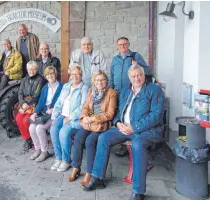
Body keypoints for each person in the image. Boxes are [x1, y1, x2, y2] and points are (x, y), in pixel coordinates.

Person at [82, 64, 165, 200]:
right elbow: (117, 112)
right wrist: (117, 122)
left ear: (144, 75)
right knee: (103, 138)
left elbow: (156, 116)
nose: (137, 78)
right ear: (129, 78)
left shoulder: (154, 90)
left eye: (139, 75)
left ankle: (138, 191)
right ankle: (97, 178)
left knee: (137, 145)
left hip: (146, 130)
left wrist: (134, 127)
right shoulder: (126, 91)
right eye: (133, 76)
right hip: (124, 128)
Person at [68, 71, 117, 185]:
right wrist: (83, 119)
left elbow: (110, 114)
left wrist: (92, 119)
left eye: (102, 80)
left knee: (90, 141)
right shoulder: (91, 91)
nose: (99, 82)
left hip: (101, 125)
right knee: (79, 137)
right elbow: (85, 107)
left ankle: (89, 172)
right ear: (94, 82)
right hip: (89, 122)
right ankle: (76, 167)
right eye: (97, 80)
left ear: (106, 81)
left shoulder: (111, 93)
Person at [109, 37, 151, 158]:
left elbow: (148, 70)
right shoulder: (114, 59)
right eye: (120, 44)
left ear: (128, 44)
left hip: (130, 93)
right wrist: (110, 91)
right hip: (117, 93)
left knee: (129, 116)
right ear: (117, 46)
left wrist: (137, 65)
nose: (122, 46)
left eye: (124, 44)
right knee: (119, 116)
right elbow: (111, 77)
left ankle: (126, 146)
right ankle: (119, 140)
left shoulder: (135, 56)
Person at [49, 64, 89, 172]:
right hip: (62, 115)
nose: (75, 76)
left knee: (63, 132)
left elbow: (83, 106)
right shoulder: (66, 86)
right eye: (73, 74)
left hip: (74, 118)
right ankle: (58, 158)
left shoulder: (84, 88)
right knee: (53, 129)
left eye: (77, 74)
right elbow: (59, 102)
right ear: (70, 75)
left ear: (81, 75)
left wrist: (71, 117)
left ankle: (66, 160)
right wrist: (54, 116)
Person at [28, 66, 63, 162]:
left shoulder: (61, 87)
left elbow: (63, 102)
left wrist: (54, 109)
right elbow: (40, 102)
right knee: (31, 128)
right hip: (44, 114)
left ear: (55, 74)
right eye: (48, 74)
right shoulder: (44, 87)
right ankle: (38, 149)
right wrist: (35, 113)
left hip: (55, 115)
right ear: (46, 76)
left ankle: (45, 151)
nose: (50, 75)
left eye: (52, 73)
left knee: (39, 128)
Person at [15, 61, 44, 151]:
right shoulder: (24, 80)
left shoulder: (40, 80)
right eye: (29, 69)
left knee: (25, 121)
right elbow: (20, 93)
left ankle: (33, 138)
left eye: (33, 69)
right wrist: (22, 103)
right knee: (18, 119)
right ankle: (27, 139)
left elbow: (37, 95)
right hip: (24, 104)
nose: (31, 71)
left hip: (34, 104)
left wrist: (27, 104)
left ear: (36, 69)